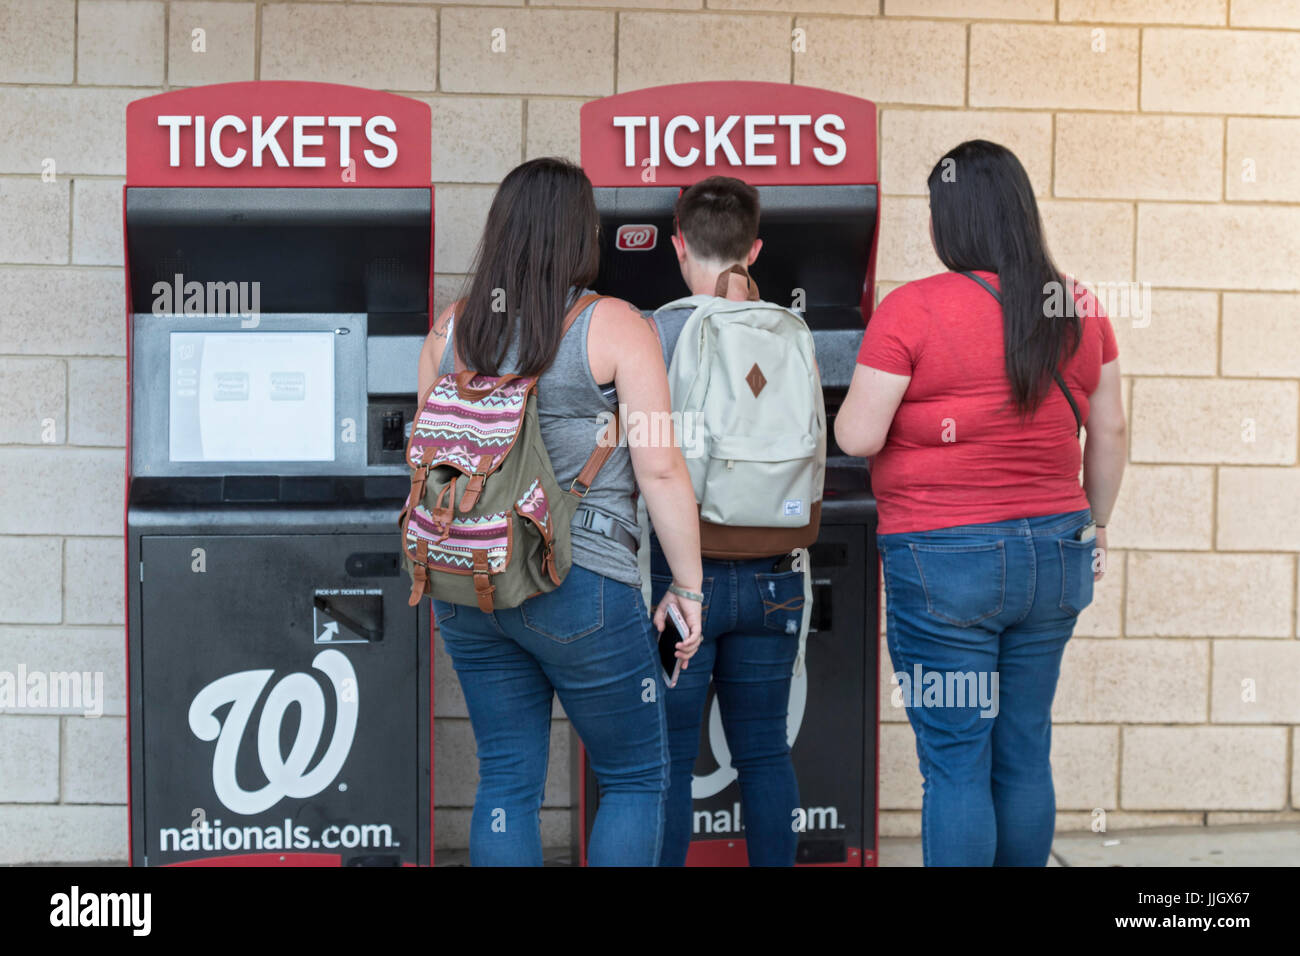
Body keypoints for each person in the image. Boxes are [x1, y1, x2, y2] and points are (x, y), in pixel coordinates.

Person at [836, 140, 1126, 867]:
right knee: (1023, 745)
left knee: (957, 759)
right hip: (1059, 549)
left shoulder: (913, 310)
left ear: (950, 222)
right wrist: (1098, 526)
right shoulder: (1077, 307)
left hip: (947, 559)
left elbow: (859, 433)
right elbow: (1111, 429)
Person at [415, 157, 704, 866]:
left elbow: (425, 463)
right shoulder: (614, 324)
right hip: (579, 582)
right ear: (582, 233)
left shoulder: (451, 330)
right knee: (635, 777)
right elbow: (661, 466)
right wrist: (689, 588)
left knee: (508, 782)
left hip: (467, 580)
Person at [647, 175, 815, 866]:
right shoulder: (786, 328)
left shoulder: (659, 328)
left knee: (668, 761)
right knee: (766, 754)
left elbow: (639, 456)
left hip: (679, 578)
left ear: (678, 244)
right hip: (776, 569)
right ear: (756, 248)